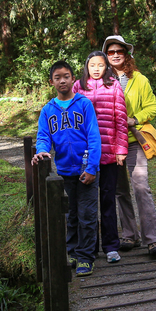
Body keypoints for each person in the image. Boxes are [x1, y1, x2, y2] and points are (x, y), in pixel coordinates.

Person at [32, 60, 102, 277]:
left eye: (66, 76)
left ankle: (85, 258)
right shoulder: (48, 110)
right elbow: (43, 136)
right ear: (51, 82)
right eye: (57, 77)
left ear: (73, 79)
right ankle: (72, 252)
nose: (62, 80)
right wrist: (42, 151)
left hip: (87, 171)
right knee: (70, 215)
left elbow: (94, 137)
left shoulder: (84, 104)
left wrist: (92, 168)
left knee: (87, 215)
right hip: (64, 172)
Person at [102, 35, 156, 258]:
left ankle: (152, 240)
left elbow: (152, 107)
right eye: (111, 52)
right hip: (110, 143)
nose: (116, 55)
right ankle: (129, 235)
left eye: (119, 51)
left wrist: (135, 118)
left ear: (126, 54)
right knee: (120, 191)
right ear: (106, 57)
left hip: (133, 142)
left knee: (140, 187)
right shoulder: (101, 80)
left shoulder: (139, 79)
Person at [73, 51, 129, 264]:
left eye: (101, 65)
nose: (96, 69)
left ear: (106, 67)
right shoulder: (78, 86)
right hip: (86, 155)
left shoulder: (114, 85)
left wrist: (121, 148)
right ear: (86, 66)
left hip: (109, 153)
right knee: (86, 204)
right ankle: (89, 248)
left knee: (107, 200)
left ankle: (111, 247)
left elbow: (121, 119)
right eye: (92, 65)